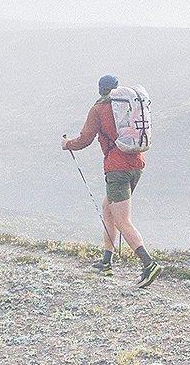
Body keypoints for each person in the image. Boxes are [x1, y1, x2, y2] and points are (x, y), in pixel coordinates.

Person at [63, 74, 160, 287]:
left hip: (117, 169)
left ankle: (148, 264)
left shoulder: (99, 109)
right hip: (136, 163)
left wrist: (68, 144)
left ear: (100, 89)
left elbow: (85, 139)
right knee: (108, 208)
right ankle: (107, 261)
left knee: (122, 220)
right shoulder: (128, 106)